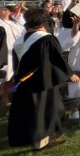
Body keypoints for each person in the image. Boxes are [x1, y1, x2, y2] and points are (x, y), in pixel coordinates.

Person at [8, 8, 74, 150]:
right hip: (43, 82)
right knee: (44, 111)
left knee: (31, 112)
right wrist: (69, 73)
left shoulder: (20, 40)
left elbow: (17, 64)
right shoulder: (47, 39)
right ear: (44, 21)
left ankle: (36, 139)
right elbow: (56, 61)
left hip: (24, 82)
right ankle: (41, 142)